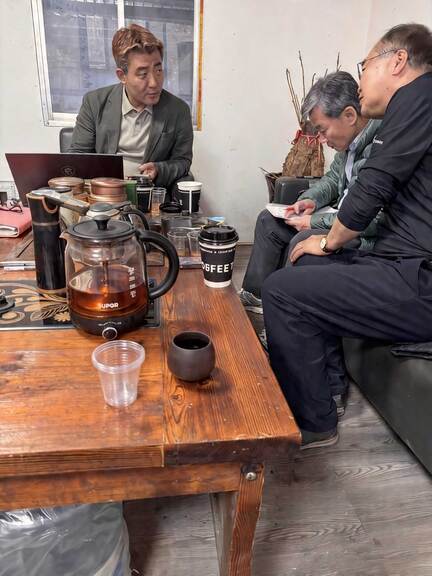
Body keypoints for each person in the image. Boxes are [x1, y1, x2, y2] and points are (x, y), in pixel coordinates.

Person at [262, 23, 432, 449]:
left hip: (419, 278)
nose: (360, 80)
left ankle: (313, 422)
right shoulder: (413, 107)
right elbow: (349, 184)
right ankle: (327, 391)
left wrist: (327, 239)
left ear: (397, 61)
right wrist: (320, 239)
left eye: (365, 66)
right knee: (305, 259)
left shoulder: (420, 98)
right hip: (400, 263)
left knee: (281, 291)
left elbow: (372, 188)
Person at [239, 71, 381, 315]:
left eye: (323, 130)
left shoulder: (381, 146)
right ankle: (254, 299)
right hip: (336, 219)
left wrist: (314, 222)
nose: (321, 140)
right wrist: (310, 200)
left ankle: (284, 315)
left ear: (349, 115)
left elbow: (368, 217)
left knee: (303, 239)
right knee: (268, 220)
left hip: (357, 233)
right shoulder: (350, 143)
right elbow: (333, 178)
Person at [69, 24, 193, 192]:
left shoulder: (178, 110)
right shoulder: (94, 102)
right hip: (105, 195)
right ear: (122, 76)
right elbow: (78, 157)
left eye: (158, 70)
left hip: (150, 195)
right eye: (143, 74)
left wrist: (159, 170)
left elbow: (183, 161)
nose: (154, 83)